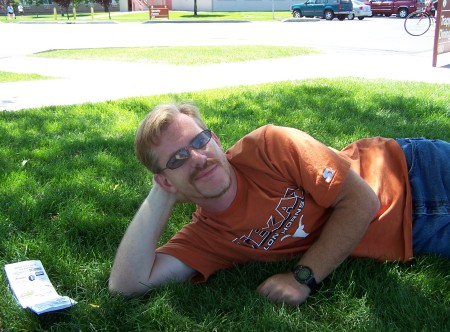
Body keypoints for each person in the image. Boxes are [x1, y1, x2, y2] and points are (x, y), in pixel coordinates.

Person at [109, 103, 449, 307]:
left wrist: (302, 278)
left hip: (412, 170)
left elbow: (362, 200)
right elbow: (127, 285)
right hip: (422, 232)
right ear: (165, 181)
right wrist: (164, 191)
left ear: (215, 139)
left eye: (200, 141)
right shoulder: (206, 238)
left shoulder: (270, 146)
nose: (198, 157)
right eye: (179, 157)